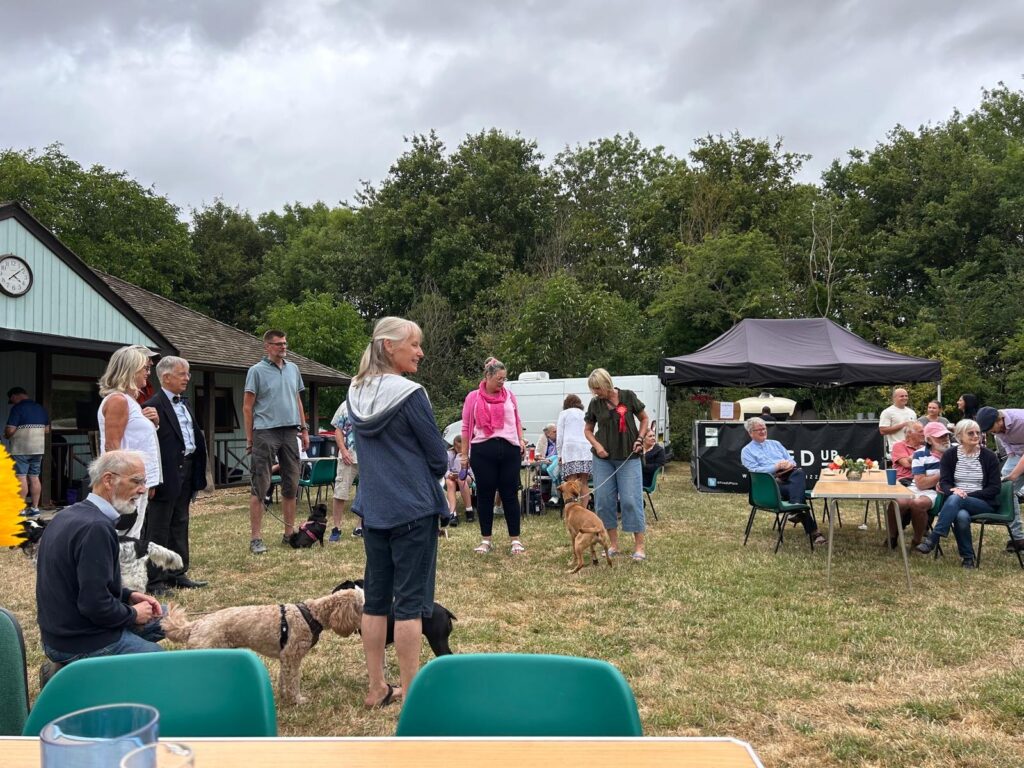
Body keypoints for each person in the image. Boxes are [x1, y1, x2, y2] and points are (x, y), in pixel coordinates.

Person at [346, 316, 448, 710]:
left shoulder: (355, 390)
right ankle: (411, 691)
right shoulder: (410, 394)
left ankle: (377, 686)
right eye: (414, 344)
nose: (420, 351)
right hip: (412, 510)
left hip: (373, 510)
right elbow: (438, 457)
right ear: (390, 346)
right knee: (408, 606)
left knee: (375, 601)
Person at [36, 450, 166, 672]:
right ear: (108, 480)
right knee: (159, 659)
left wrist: (128, 596)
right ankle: (69, 670)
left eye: (144, 482)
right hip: (78, 640)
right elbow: (94, 605)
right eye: (136, 481)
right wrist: (133, 614)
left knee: (164, 616)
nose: (143, 489)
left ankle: (66, 668)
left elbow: (83, 584)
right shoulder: (96, 527)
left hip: (59, 633)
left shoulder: (68, 515)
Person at [142, 356, 208, 595]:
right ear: (166, 377)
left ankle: (178, 573)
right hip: (166, 471)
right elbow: (148, 443)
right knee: (159, 526)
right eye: (183, 374)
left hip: (188, 468)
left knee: (180, 522)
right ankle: (155, 580)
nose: (187, 378)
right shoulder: (151, 406)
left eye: (187, 373)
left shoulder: (185, 403)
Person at [244, 330, 310, 555]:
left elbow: (297, 400)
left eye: (285, 342)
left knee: (291, 483)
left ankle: (289, 534)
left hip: (290, 431)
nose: (283, 347)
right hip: (265, 431)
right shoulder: (256, 371)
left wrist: (304, 429)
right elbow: (247, 406)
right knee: (260, 484)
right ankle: (256, 538)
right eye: (278, 344)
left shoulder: (293, 369)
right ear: (267, 347)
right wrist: (250, 437)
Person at [460, 357, 527, 555]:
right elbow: (465, 427)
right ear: (487, 376)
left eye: (504, 379)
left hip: (509, 449)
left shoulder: (509, 396)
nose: (502, 382)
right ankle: (485, 539)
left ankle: (515, 539)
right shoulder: (473, 397)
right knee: (485, 494)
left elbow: (516, 419)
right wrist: (464, 455)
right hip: (482, 449)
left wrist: (521, 439)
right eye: (499, 378)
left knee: (509, 494)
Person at [915, 419, 1001, 568]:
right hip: (955, 503)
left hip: (982, 502)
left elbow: (994, 488)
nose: (976, 436)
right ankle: (968, 559)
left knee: (956, 499)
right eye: (971, 433)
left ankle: (933, 538)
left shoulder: (989, 456)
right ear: (960, 436)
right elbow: (945, 482)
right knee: (961, 516)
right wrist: (953, 490)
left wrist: (966, 495)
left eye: (978, 433)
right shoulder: (950, 455)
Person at [584, 368, 649, 560]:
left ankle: (639, 547)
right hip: (603, 459)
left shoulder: (628, 397)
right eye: (593, 389)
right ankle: (613, 545)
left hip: (629, 456)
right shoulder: (595, 404)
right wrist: (597, 445)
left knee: (630, 500)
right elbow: (587, 430)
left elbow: (644, 418)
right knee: (604, 502)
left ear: (607, 383)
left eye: (597, 388)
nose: (595, 392)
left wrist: (640, 438)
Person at [97, 345, 162, 539]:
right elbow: (112, 448)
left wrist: (153, 423)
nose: (148, 374)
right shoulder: (118, 400)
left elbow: (136, 437)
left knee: (133, 533)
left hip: (137, 479)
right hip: (126, 482)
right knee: (124, 536)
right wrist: (127, 483)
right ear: (130, 370)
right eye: (145, 369)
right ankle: (119, 570)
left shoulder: (129, 401)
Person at [740, 416, 827, 546]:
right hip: (769, 485)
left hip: (788, 479)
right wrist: (776, 467)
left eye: (764, 428)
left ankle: (795, 507)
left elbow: (792, 461)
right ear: (750, 433)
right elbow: (755, 472)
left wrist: (788, 464)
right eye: (759, 430)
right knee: (798, 492)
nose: (763, 431)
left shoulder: (775, 444)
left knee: (798, 472)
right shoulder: (747, 451)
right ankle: (809, 526)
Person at [974, 406, 1024, 552]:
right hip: (1018, 455)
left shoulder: (1021, 420)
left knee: (1010, 480)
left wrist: (1015, 474)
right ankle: (1018, 538)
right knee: (1005, 490)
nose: (991, 432)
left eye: (991, 428)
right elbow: (1006, 441)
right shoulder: (996, 426)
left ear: (1000, 419)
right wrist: (1010, 454)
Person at [884, 422, 930, 548]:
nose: (924, 434)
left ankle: (917, 540)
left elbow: (931, 466)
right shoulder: (899, 446)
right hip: (903, 480)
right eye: (920, 431)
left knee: (918, 503)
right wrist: (920, 460)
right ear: (910, 434)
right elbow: (906, 464)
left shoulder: (927, 447)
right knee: (900, 503)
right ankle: (892, 537)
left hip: (921, 482)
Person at [5, 386, 49, 517]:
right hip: (38, 448)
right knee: (34, 477)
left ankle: (21, 509)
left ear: (15, 396)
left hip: (21, 448)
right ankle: (35, 508)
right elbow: (47, 429)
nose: (12, 402)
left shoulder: (17, 408)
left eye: (11, 399)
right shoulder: (40, 408)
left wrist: (6, 435)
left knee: (21, 476)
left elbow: (10, 430)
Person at [329, 400, 360, 542]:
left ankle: (360, 527)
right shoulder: (345, 405)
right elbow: (338, 430)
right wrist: (343, 450)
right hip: (347, 456)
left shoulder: (374, 402)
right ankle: (336, 528)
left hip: (368, 457)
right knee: (340, 492)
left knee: (367, 493)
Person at [557, 394, 593, 507]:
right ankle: (584, 509)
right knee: (584, 482)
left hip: (570, 450)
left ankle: (572, 508)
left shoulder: (564, 414)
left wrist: (559, 453)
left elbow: (560, 435)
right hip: (585, 450)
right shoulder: (584, 414)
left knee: (571, 482)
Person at [878, 388, 917, 459]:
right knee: (904, 468)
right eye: (901, 396)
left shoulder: (912, 412)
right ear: (894, 398)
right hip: (896, 447)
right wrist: (903, 425)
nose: (904, 398)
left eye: (906, 396)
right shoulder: (887, 412)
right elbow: (882, 431)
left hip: (912, 447)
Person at [445, 435, 473, 524]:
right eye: (458, 448)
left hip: (467, 476)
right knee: (449, 482)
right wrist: (449, 475)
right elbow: (445, 469)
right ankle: (453, 514)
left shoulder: (469, 453)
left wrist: (459, 458)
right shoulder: (449, 454)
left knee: (461, 479)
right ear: (454, 445)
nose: (460, 450)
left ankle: (469, 510)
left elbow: (471, 471)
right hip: (452, 478)